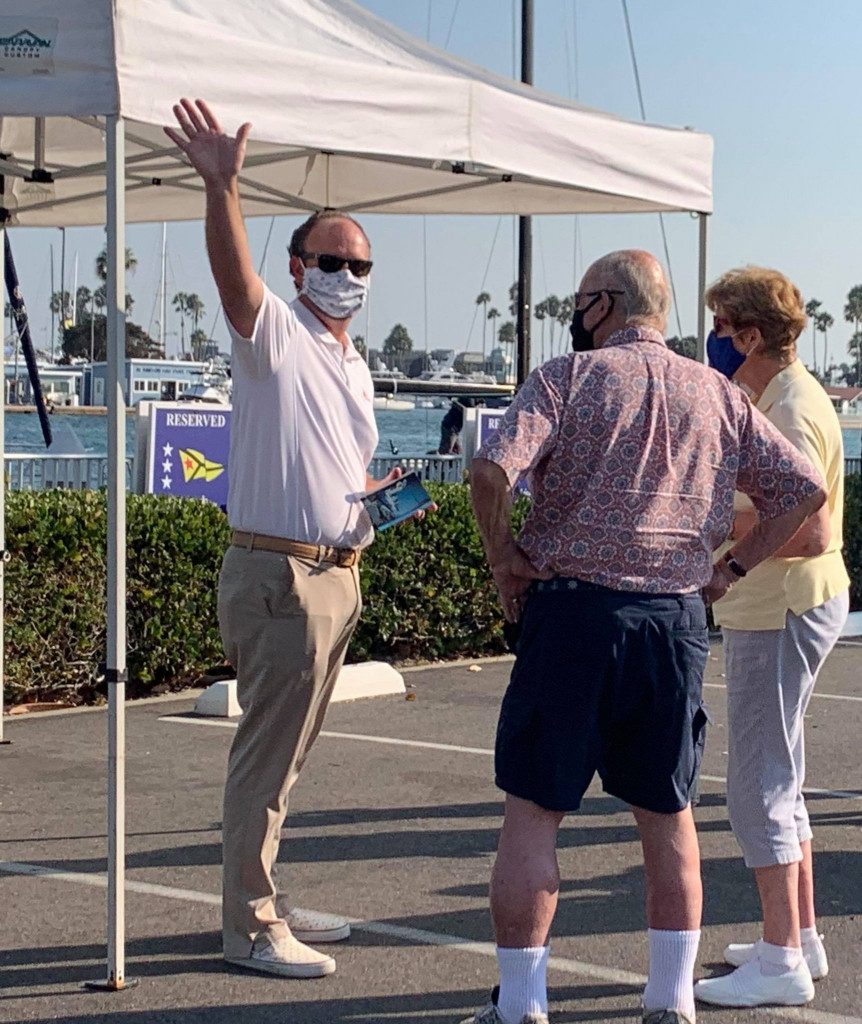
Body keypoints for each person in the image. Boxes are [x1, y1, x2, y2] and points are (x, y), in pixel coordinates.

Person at [465, 250, 827, 1024]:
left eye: (578, 299)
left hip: (570, 613)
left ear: (602, 304)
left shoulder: (566, 377)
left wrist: (505, 560)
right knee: (667, 816)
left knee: (534, 810)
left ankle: (523, 1001)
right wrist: (729, 568)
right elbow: (805, 490)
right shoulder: (718, 393)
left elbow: (491, 472)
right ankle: (668, 998)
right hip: (672, 621)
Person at [164, 98, 415, 979]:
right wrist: (221, 187)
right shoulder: (277, 333)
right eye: (332, 260)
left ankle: (259, 899)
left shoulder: (349, 360)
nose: (348, 273)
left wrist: (376, 497)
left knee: (288, 760)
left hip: (335, 571)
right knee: (266, 761)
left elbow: (327, 462)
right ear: (299, 266)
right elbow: (235, 287)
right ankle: (251, 924)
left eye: (360, 263)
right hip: (282, 577)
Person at [693, 268, 850, 1008]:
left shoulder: (785, 407)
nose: (713, 340)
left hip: (777, 608)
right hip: (792, 606)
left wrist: (726, 558)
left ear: (750, 334)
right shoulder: (785, 393)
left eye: (721, 327)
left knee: (758, 785)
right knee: (780, 773)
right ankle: (800, 937)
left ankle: (781, 956)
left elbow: (809, 526)